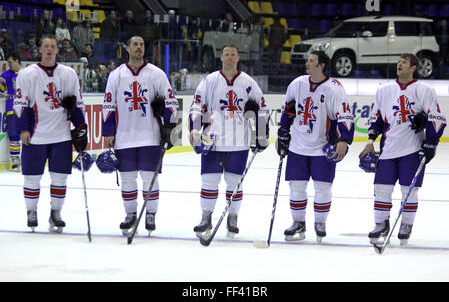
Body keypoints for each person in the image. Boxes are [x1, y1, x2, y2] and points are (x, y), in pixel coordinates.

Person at [359, 53, 447, 245]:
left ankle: (406, 224)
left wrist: (430, 142)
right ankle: (381, 223)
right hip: (388, 149)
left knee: (410, 190)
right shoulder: (384, 90)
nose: (400, 64)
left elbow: (437, 118)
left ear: (413, 68)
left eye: (404, 62)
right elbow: (377, 117)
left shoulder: (424, 90)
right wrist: (370, 140)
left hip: (413, 150)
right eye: (399, 62)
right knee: (381, 189)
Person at [188, 44, 269, 238]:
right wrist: (194, 128)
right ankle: (205, 217)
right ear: (221, 58)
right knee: (209, 181)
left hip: (239, 142)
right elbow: (197, 105)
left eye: (233, 54)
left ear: (238, 58)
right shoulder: (210, 81)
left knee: (234, 183)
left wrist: (261, 135)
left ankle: (232, 219)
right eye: (227, 54)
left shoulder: (248, 82)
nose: (230, 57)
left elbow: (263, 108)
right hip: (212, 140)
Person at [102, 35, 179, 236]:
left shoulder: (156, 73)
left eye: (142, 44)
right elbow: (108, 105)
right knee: (127, 179)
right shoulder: (116, 75)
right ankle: (130, 215)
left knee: (149, 178)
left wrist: (170, 128)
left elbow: (171, 101)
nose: (139, 47)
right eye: (135, 44)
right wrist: (109, 131)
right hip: (124, 136)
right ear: (127, 48)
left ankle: (150, 214)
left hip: (150, 136)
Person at [276, 51, 354, 242]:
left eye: (312, 60)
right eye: (308, 60)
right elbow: (287, 109)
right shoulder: (297, 84)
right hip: (297, 147)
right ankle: (298, 223)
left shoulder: (334, 88)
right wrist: (283, 132)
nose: (307, 63)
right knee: (296, 187)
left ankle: (320, 223)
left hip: (323, 147)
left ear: (322, 65)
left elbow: (345, 114)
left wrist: (344, 139)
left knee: (323, 188)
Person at [12, 34, 87, 233]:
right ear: (40, 49)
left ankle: (55, 213)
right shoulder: (27, 74)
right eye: (46, 46)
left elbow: (77, 102)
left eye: (52, 46)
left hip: (61, 136)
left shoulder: (68, 74)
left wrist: (81, 127)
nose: (49, 49)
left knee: (60, 177)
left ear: (57, 50)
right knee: (32, 177)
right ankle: (31, 212)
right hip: (35, 135)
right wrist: (23, 128)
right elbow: (20, 103)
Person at [0, 52, 22, 171]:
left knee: (30, 134)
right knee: (13, 135)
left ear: (17, 60)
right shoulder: (5, 75)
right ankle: (15, 161)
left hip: (25, 109)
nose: (9, 65)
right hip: (11, 109)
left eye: (10, 62)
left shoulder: (26, 74)